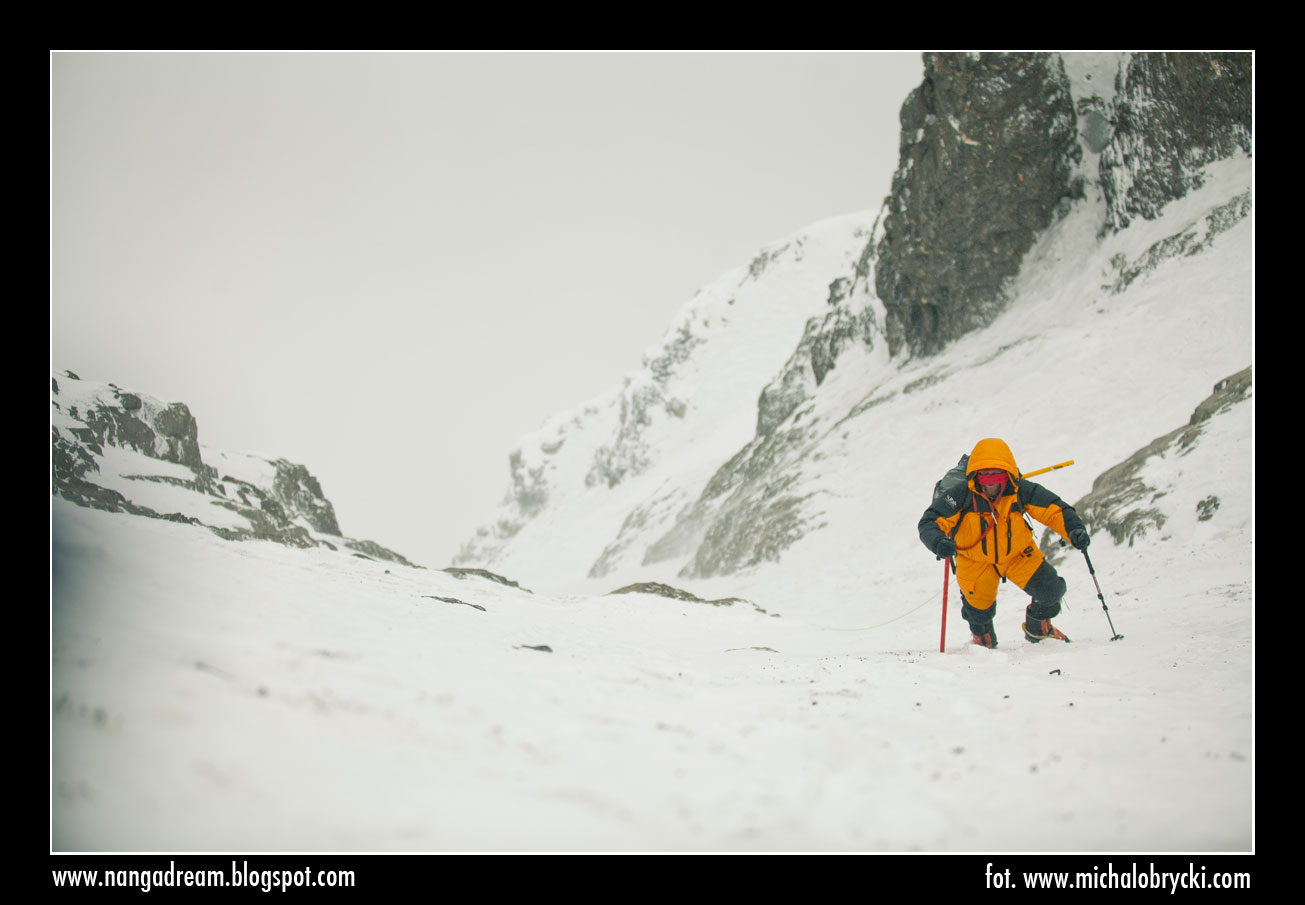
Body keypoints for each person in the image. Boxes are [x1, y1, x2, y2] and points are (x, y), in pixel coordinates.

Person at [918, 438, 1090, 648]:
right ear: (975, 476)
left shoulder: (1021, 490)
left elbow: (1055, 510)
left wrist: (1074, 530)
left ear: (1007, 475)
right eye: (984, 477)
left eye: (997, 476)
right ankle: (982, 641)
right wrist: (938, 542)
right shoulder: (960, 494)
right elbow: (930, 521)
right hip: (974, 562)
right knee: (977, 615)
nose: (990, 483)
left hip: (1019, 556)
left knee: (1051, 590)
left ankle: (1038, 628)